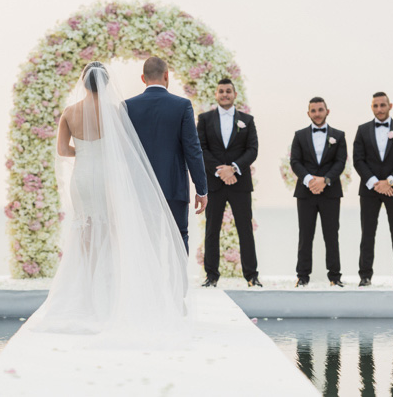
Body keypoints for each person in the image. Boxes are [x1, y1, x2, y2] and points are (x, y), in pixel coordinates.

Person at [30, 62, 190, 335]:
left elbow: (61, 150)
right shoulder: (114, 112)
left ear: (83, 82)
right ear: (106, 84)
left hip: (81, 178)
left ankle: (88, 291)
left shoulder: (69, 112)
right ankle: (109, 293)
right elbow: (125, 149)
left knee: (85, 232)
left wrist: (84, 151)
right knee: (111, 232)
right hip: (106, 178)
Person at [125, 56, 208, 254]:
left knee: (145, 239)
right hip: (174, 186)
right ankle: (177, 284)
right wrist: (201, 189)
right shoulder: (182, 106)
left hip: (140, 189)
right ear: (166, 76)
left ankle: (149, 284)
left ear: (143, 78)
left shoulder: (127, 106)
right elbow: (193, 150)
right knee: (179, 237)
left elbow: (124, 152)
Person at [197, 79, 262, 288]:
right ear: (216, 95)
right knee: (211, 230)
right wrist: (221, 171)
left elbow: (252, 150)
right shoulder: (205, 119)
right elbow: (201, 148)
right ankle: (211, 276)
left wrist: (233, 168)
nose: (225, 94)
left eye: (228, 91)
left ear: (235, 95)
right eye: (221, 91)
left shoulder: (247, 121)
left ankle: (252, 276)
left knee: (245, 229)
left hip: (239, 182)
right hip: (215, 184)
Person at [353, 92, 393, 288]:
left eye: (382, 105)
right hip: (370, 190)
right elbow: (358, 159)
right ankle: (365, 275)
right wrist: (374, 182)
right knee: (367, 233)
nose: (379, 109)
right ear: (372, 107)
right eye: (375, 106)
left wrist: (390, 181)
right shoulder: (362, 130)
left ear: (390, 106)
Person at [290, 97, 346, 287]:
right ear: (308, 114)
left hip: (330, 193)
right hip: (306, 193)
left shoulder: (338, 135)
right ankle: (303, 276)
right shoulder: (299, 135)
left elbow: (340, 162)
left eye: (320, 110)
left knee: (331, 235)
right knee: (305, 235)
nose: (317, 113)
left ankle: (335, 277)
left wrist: (325, 180)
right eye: (313, 111)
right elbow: (295, 162)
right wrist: (310, 180)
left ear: (327, 111)